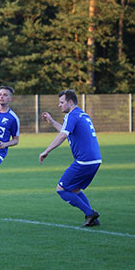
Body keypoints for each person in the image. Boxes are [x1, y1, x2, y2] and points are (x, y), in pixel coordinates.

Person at [39, 89, 102, 227]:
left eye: (62, 102)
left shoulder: (71, 115)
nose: (59, 105)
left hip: (84, 161)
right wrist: (52, 122)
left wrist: (46, 151)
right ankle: (91, 218)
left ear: (70, 102)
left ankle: (90, 213)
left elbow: (63, 135)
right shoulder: (82, 114)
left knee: (61, 189)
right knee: (74, 190)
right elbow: (67, 130)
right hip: (95, 160)